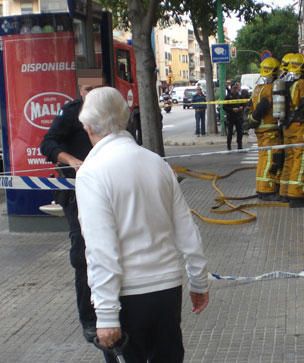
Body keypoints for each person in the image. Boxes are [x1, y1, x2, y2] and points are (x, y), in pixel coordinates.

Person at [74, 87, 209, 361]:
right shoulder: (156, 163)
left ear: (88, 127)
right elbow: (186, 229)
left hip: (128, 296)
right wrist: (198, 281)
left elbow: (101, 249)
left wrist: (107, 314)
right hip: (167, 290)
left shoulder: (92, 172)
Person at [39, 83, 98, 344]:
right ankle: (89, 319)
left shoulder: (111, 116)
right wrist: (71, 160)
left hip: (105, 190)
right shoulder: (72, 113)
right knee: (82, 254)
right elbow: (47, 144)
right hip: (75, 194)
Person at [278, 53, 304, 208]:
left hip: (287, 128)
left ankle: (285, 192)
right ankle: (296, 196)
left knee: (289, 160)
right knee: (300, 160)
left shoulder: (284, 83)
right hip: (300, 127)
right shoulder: (302, 84)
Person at [246, 56, 284, 201]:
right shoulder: (270, 89)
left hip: (261, 131)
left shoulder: (257, 89)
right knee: (270, 160)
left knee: (263, 159)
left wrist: (251, 121)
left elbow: (250, 106)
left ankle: (263, 189)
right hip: (270, 132)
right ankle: (267, 191)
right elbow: (263, 107)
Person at [223, 82, 245, 150]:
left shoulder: (239, 96)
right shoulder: (228, 97)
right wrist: (232, 109)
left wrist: (241, 107)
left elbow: (244, 104)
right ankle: (229, 145)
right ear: (231, 88)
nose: (235, 90)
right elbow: (224, 107)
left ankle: (240, 145)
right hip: (231, 117)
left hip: (238, 116)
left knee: (240, 132)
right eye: (233, 88)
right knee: (230, 132)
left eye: (236, 88)